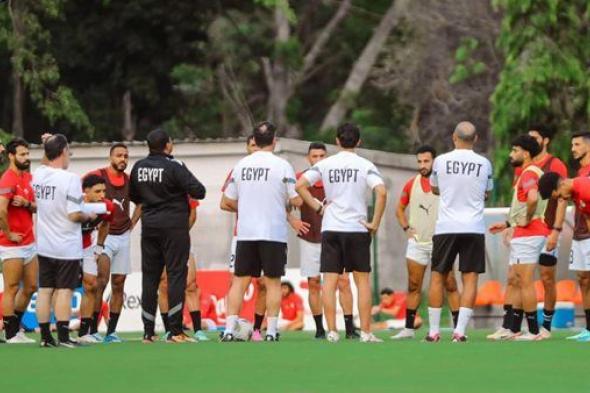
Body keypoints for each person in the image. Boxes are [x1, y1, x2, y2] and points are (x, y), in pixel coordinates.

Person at [296, 122, 388, 343]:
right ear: (358, 141)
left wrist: (318, 207)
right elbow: (382, 192)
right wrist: (374, 222)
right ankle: (366, 332)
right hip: (356, 228)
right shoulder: (365, 164)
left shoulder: (326, 164)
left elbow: (300, 185)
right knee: (362, 281)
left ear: (337, 141)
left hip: (331, 227)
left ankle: (332, 332)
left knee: (329, 281)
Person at [220, 121, 302, 342]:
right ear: (274, 140)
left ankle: (229, 329)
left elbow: (227, 200)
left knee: (239, 281)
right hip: (273, 232)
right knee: (273, 282)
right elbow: (295, 198)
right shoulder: (283, 165)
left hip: (246, 233)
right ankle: (272, 331)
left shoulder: (241, 165)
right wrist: (302, 197)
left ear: (254, 140)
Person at [130, 128, 206, 343]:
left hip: (150, 227)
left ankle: (148, 332)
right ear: (167, 145)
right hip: (174, 227)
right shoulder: (175, 165)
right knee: (175, 275)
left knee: (150, 277)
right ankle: (175, 331)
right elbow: (199, 190)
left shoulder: (138, 166)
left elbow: (135, 196)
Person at [425, 121, 493, 343]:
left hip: (446, 227)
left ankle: (434, 332)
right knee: (470, 279)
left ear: (454, 137)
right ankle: (460, 332)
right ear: (475, 139)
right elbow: (487, 192)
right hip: (473, 227)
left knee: (437, 276)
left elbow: (434, 187)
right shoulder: (484, 164)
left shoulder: (441, 161)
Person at [391, 145, 460, 340]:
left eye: (426, 161)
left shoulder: (446, 183)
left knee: (450, 284)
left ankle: (458, 329)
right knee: (413, 285)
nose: (422, 165)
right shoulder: (410, 184)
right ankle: (409, 329)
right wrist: (406, 228)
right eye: (419, 161)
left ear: (434, 161)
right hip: (417, 243)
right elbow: (399, 209)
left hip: (441, 242)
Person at [33, 134, 95, 348]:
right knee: (64, 291)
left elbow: (44, 161)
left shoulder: (39, 174)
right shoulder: (70, 179)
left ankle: (44, 337)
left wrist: (46, 145)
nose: (69, 155)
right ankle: (63, 336)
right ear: (62, 152)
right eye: (68, 151)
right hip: (66, 245)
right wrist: (89, 215)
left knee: (45, 290)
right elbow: (74, 214)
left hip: (44, 243)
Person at [296, 142, 359, 340]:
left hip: (334, 236)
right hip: (309, 237)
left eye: (322, 156)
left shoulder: (334, 177)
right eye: (314, 156)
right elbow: (285, 201)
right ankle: (320, 329)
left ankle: (349, 328)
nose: (318, 160)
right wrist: (293, 220)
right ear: (308, 159)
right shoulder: (301, 180)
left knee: (343, 281)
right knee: (314, 282)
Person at [489, 134, 548, 341]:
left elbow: (532, 199)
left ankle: (533, 331)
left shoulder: (529, 173)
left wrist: (525, 219)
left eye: (515, 150)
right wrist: (508, 223)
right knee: (514, 279)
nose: (510, 154)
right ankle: (511, 328)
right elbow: (525, 202)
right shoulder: (527, 173)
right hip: (524, 232)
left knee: (525, 281)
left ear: (526, 153)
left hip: (529, 233)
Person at [85, 143, 141, 343]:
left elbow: (140, 203)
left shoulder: (130, 181)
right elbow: (83, 192)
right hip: (103, 236)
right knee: (100, 281)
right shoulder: (98, 176)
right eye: (119, 155)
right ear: (111, 157)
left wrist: (132, 223)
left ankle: (111, 332)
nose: (123, 159)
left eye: (126, 156)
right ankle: (91, 329)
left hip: (123, 237)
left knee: (119, 284)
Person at [538, 132, 590, 341]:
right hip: (581, 235)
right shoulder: (577, 179)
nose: (573, 148)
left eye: (577, 144)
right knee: (584, 280)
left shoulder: (582, 185)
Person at [0, 138, 37, 344]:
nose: (26, 157)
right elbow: (1, 210)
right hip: (11, 244)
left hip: (30, 241)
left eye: (27, 154)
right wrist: (9, 233)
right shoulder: (7, 179)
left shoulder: (29, 177)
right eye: (22, 154)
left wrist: (26, 203)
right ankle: (10, 332)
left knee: (31, 287)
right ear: (11, 156)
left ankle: (16, 328)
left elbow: (37, 207)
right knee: (12, 287)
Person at [158, 198, 210, 341]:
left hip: (182, 239)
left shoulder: (186, 188)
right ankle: (169, 330)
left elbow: (193, 214)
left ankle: (198, 329)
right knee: (163, 284)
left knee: (190, 284)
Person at [77, 175, 115, 344]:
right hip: (66, 247)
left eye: (104, 191)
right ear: (85, 191)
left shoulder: (107, 206)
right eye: (97, 191)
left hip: (87, 246)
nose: (102, 195)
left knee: (91, 285)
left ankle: (84, 332)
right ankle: (54, 331)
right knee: (63, 288)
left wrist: (99, 246)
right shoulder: (75, 203)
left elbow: (106, 224)